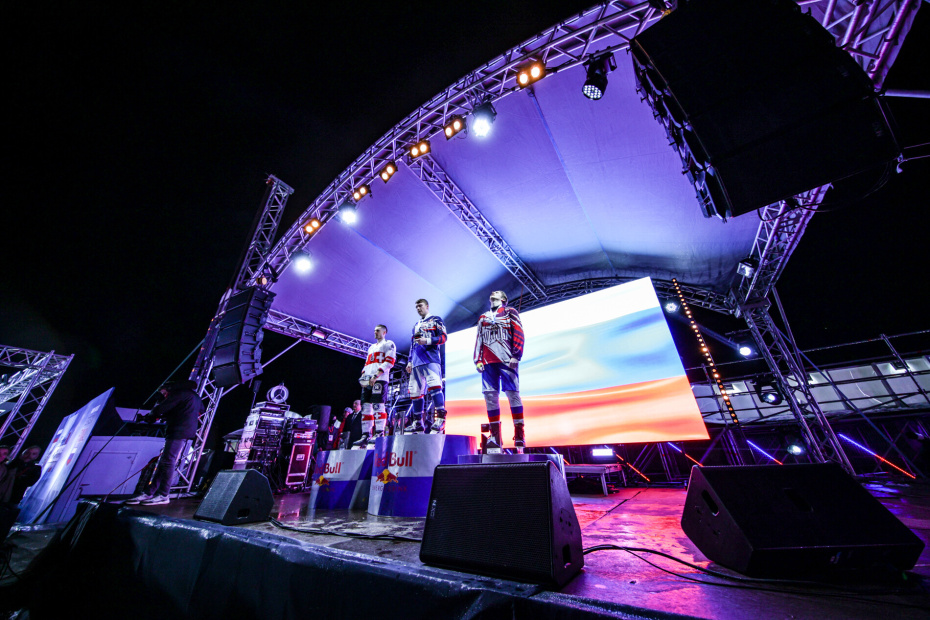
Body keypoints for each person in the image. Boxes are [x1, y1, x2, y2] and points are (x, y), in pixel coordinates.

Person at [125, 379, 203, 505]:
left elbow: (160, 409)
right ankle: (150, 492)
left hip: (178, 430)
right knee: (164, 462)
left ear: (169, 388)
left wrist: (150, 416)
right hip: (183, 430)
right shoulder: (193, 396)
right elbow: (198, 411)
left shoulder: (179, 394)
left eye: (164, 392)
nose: (164, 395)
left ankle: (163, 495)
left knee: (168, 461)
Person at [474, 290, 526, 453]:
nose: (492, 293)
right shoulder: (483, 317)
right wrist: (477, 359)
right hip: (488, 362)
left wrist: (516, 355)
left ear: (503, 299)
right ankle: (495, 436)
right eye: (492, 293)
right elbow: (479, 339)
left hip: (506, 359)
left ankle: (519, 432)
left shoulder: (510, 312)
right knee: (490, 396)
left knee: (512, 393)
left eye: (497, 293)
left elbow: (519, 332)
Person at [404, 298, 448, 434]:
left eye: (420, 306)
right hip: (416, 362)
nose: (418, 308)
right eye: (416, 307)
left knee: (435, 387)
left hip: (431, 360)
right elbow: (412, 345)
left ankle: (440, 419)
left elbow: (444, 337)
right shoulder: (415, 325)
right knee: (415, 393)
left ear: (427, 306)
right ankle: (418, 423)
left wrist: (427, 340)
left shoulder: (436, 319)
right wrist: (409, 361)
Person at [354, 325, 396, 448]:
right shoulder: (371, 347)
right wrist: (363, 376)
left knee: (378, 406)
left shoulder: (389, 344)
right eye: (374, 331)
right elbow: (367, 363)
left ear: (384, 332)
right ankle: (365, 435)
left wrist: (376, 375)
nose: (375, 332)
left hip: (380, 379)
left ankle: (379, 433)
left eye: (377, 330)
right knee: (366, 407)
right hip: (368, 381)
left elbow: (390, 361)